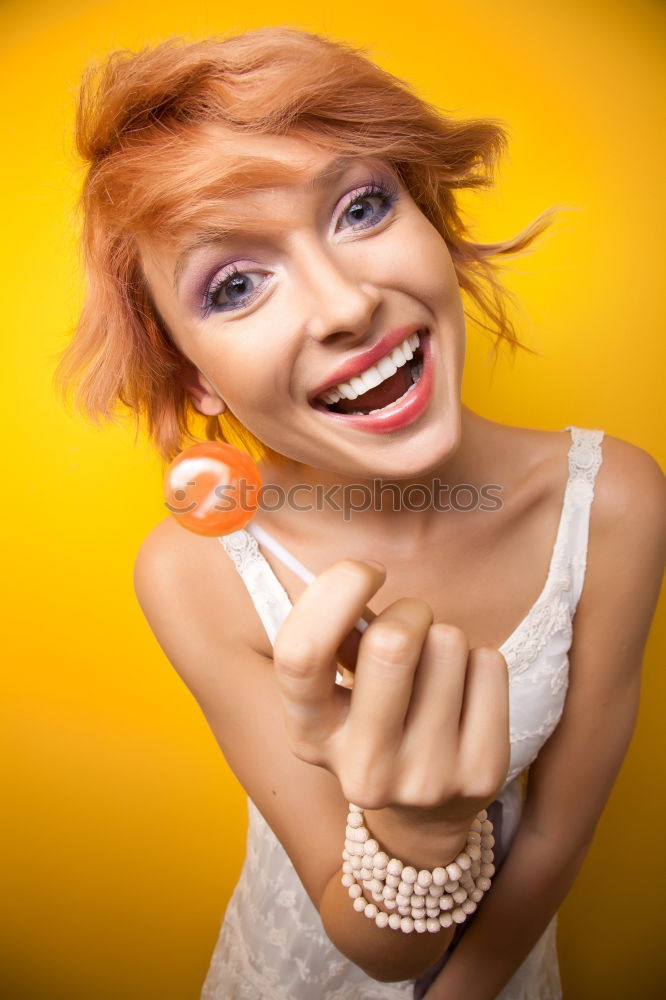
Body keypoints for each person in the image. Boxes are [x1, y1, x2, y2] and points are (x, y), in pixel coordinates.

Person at [55, 27, 665, 1000]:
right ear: (194, 376)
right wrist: (416, 836)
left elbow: (553, 832)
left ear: (430, 217)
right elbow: (375, 943)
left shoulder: (619, 503)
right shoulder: (195, 573)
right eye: (237, 284)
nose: (343, 304)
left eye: (361, 205)